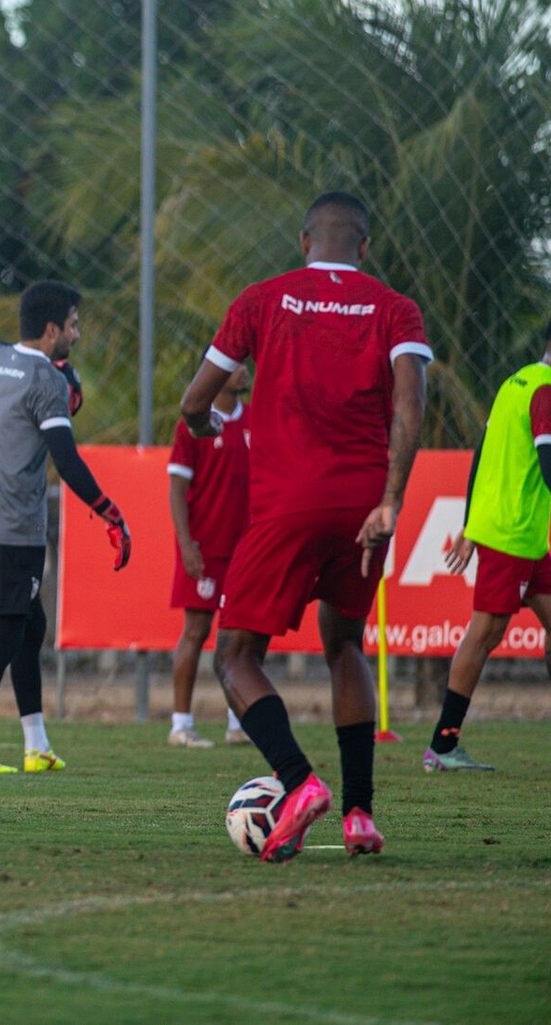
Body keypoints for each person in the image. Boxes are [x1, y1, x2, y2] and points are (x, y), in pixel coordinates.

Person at [180, 191, 428, 862]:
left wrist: (205, 424)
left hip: (287, 504)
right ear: (365, 248)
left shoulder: (262, 300)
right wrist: (393, 499)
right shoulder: (394, 308)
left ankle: (298, 782)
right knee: (345, 643)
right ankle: (359, 816)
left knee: (233, 655)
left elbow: (195, 400)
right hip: (363, 505)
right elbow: (410, 407)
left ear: (304, 241)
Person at [0, 280, 128, 776]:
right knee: (5, 633)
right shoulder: (48, 383)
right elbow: (65, 458)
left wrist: (63, 377)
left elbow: (41, 376)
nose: (77, 332)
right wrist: (110, 510)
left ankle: (36, 745)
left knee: (30, 627)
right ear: (52, 329)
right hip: (14, 527)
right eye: (72, 324)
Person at [426, 324, 551, 772]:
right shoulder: (545, 392)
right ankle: (442, 745)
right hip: (512, 535)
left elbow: (482, 454)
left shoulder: (515, 383)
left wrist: (469, 523)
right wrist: (475, 525)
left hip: (521, 536)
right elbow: (548, 461)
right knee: (484, 634)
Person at [165, 362, 253, 748]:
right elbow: (177, 489)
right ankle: (180, 725)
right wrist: (186, 543)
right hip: (205, 547)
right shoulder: (193, 424)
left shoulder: (255, 421)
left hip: (246, 549)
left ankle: (238, 722)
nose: (244, 372)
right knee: (196, 631)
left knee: (239, 637)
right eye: (235, 366)